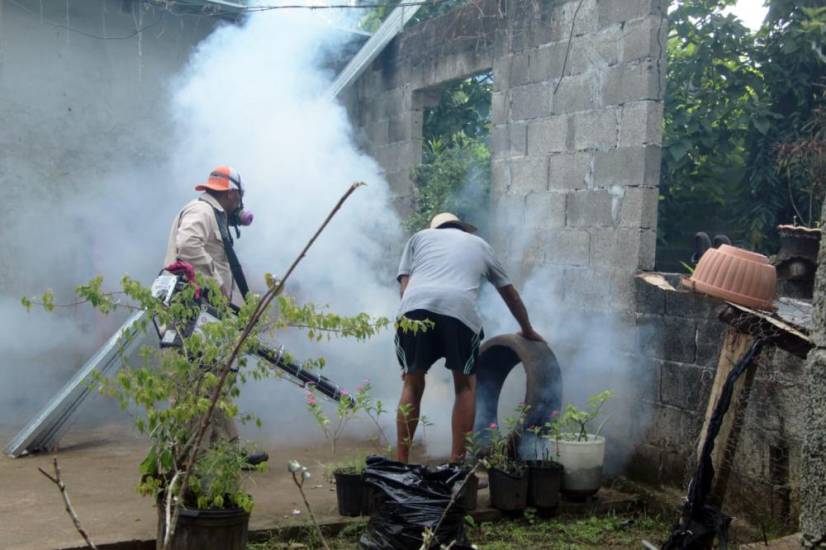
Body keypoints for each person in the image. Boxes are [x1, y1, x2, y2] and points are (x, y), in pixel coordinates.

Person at [394, 212, 544, 464]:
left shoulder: (419, 238)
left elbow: (405, 289)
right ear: (462, 229)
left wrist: (410, 356)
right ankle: (457, 465)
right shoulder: (480, 245)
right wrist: (527, 329)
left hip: (413, 310)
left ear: (436, 228)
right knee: (464, 386)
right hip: (459, 311)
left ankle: (400, 464)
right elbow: (510, 294)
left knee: (412, 384)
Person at [163, 166, 266, 465]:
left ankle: (228, 452)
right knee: (191, 385)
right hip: (190, 311)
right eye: (239, 198)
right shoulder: (202, 211)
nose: (240, 207)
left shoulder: (213, 214)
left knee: (212, 381)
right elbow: (187, 245)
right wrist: (217, 284)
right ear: (232, 193)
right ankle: (186, 459)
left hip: (202, 312)